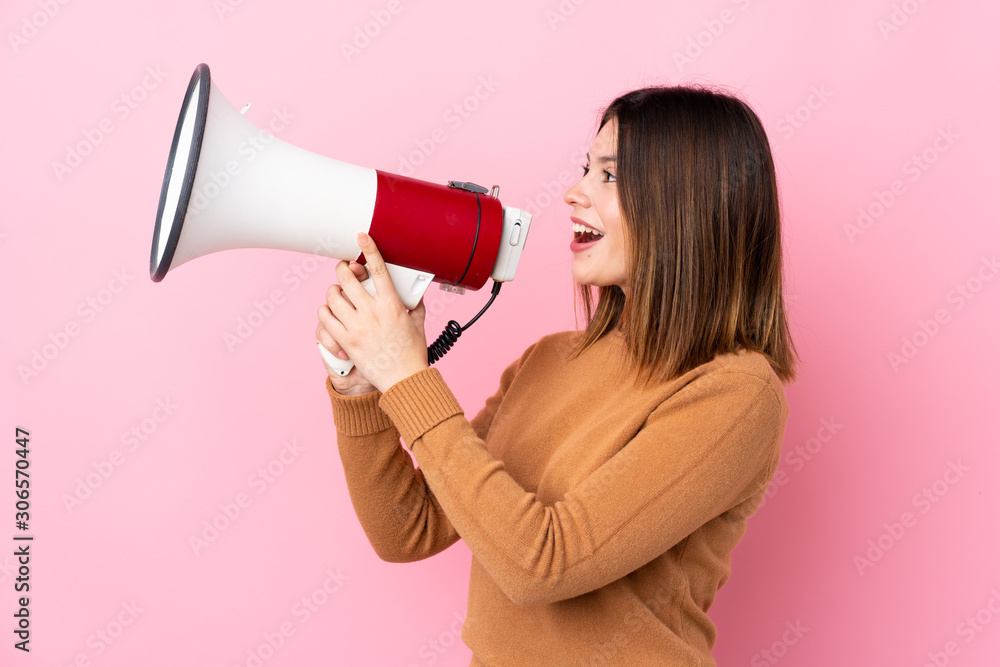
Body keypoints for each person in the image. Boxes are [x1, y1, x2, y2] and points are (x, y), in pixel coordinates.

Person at [315, 85, 798, 666]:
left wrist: (406, 377)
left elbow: (543, 564)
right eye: (585, 169)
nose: (575, 193)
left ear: (687, 203)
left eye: (610, 177)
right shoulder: (549, 360)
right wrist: (361, 385)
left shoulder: (735, 395)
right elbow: (406, 530)